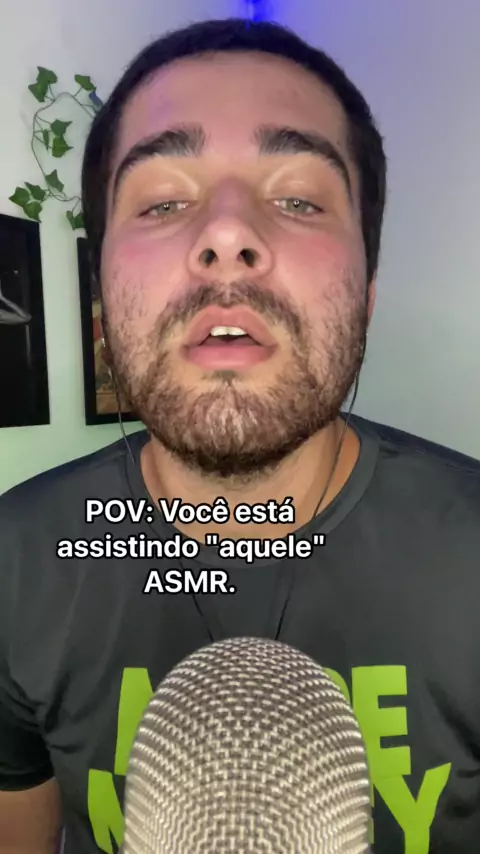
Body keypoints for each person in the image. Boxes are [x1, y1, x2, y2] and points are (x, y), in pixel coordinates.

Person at [0, 16, 478, 854]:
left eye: (297, 199)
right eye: (163, 202)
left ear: (366, 294)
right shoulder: (13, 563)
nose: (226, 236)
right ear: (104, 297)